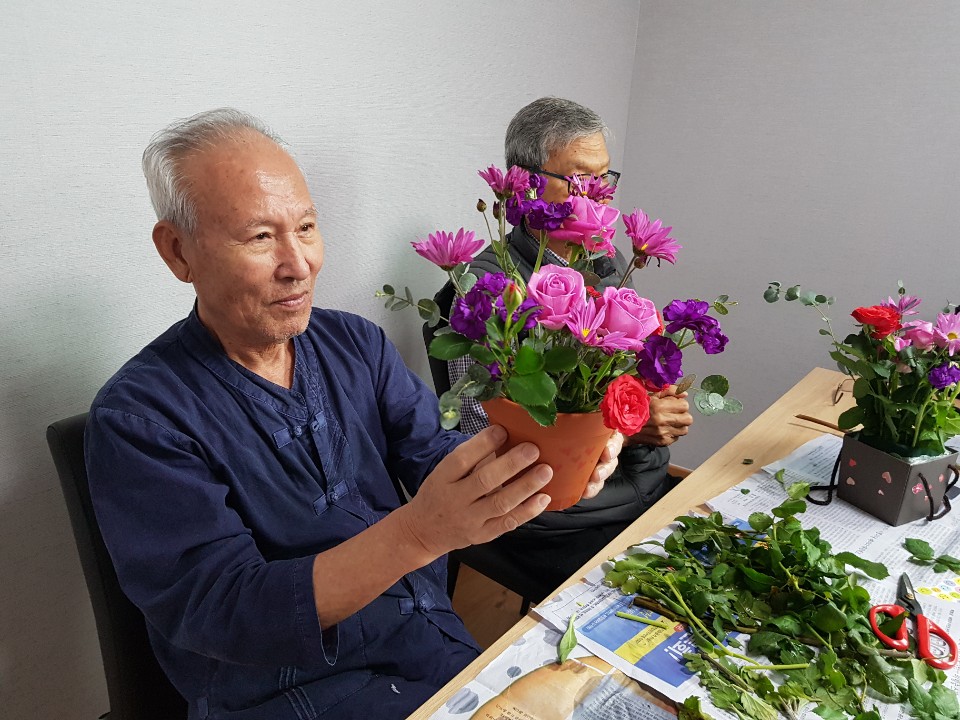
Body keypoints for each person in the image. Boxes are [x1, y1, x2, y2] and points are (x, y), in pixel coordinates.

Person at [84, 108, 623, 720]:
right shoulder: (141, 419)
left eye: (306, 227)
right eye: (260, 237)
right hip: (289, 696)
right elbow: (226, 610)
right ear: (177, 251)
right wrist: (420, 534)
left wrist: (549, 461)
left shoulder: (355, 345)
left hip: (428, 645)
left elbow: (434, 454)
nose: (299, 264)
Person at [436, 97, 693, 600]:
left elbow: (629, 369)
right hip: (556, 512)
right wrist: (629, 428)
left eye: (604, 179)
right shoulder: (485, 291)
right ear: (525, 182)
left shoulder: (606, 259)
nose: (598, 196)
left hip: (638, 480)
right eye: (578, 179)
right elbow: (485, 435)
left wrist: (659, 401)